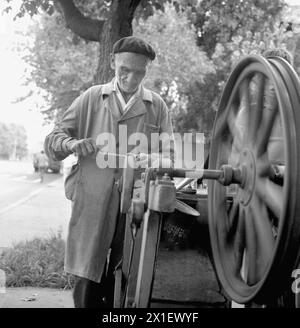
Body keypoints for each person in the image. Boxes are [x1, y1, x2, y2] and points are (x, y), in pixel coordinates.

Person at [44, 36, 174, 308]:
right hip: (92, 198)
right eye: (124, 69)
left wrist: (151, 157)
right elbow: (54, 138)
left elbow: (170, 155)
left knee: (128, 272)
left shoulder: (157, 106)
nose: (131, 78)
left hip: (136, 204)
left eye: (139, 71)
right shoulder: (92, 98)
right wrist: (72, 144)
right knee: (87, 273)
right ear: (113, 62)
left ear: (147, 69)